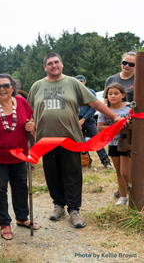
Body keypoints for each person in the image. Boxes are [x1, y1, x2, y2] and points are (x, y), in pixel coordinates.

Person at [27, 53, 122, 228]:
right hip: (45, 140)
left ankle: (74, 210)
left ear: (62, 64)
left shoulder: (73, 83)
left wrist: (115, 116)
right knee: (52, 174)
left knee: (72, 173)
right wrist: (29, 126)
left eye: (56, 62)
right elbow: (28, 110)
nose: (53, 65)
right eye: (50, 63)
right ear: (45, 67)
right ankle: (58, 206)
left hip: (70, 138)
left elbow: (94, 103)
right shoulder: (37, 86)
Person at [0, 74, 39, 240]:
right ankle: (4, 223)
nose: (2, 89)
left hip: (19, 155)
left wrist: (32, 125)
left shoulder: (22, 102)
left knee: (20, 187)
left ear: (13, 86)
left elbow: (31, 121)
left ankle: (22, 218)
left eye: (6, 85)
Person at [97, 83, 131, 206]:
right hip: (113, 143)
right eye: (110, 94)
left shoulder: (129, 108)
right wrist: (116, 126)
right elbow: (100, 128)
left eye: (116, 93)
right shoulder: (105, 110)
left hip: (127, 144)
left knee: (125, 172)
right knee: (118, 171)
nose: (112, 96)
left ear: (123, 95)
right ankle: (123, 197)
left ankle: (133, 195)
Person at [76, 75, 113, 169]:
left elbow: (94, 107)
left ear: (84, 82)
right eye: (77, 81)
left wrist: (83, 119)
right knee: (80, 142)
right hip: (75, 121)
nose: (79, 83)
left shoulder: (91, 92)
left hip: (88, 120)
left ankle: (105, 161)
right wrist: (77, 121)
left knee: (97, 140)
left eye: (81, 81)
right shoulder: (72, 94)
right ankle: (86, 161)